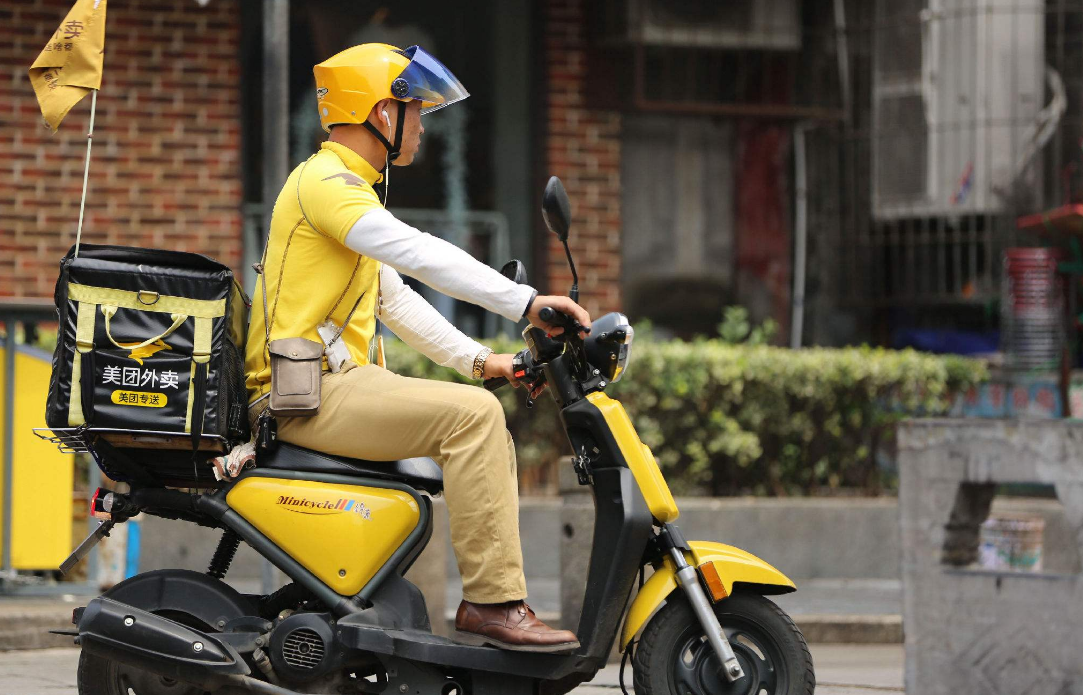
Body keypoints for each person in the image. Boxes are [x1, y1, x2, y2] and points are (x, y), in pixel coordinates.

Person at [244, 43, 591, 653]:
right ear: (383, 114)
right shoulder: (326, 184)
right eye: (416, 110)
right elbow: (420, 252)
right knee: (474, 417)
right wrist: (526, 302)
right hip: (302, 394)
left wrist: (486, 361)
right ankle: (494, 604)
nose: (423, 124)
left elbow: (396, 302)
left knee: (475, 405)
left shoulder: (344, 190)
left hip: (331, 384)